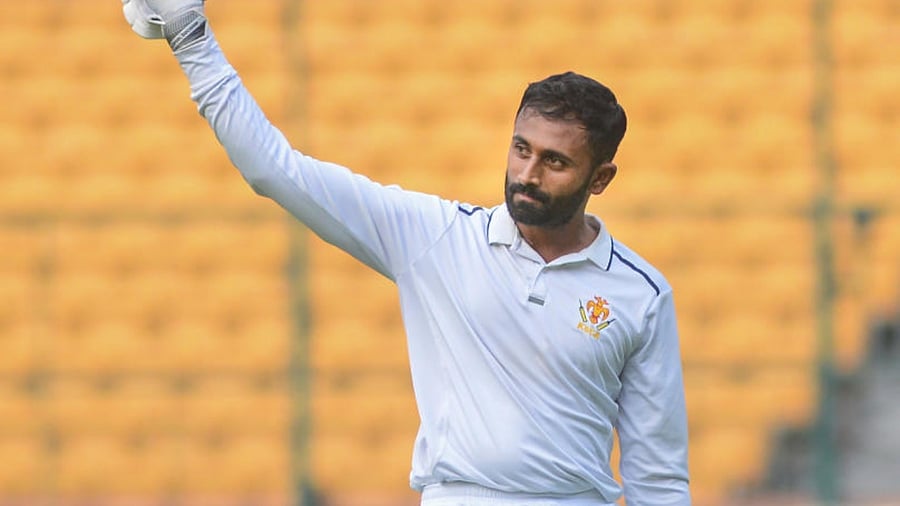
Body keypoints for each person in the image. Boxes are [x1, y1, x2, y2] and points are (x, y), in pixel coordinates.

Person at [122, 1, 691, 504]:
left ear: (601, 178)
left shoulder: (639, 294)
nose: (527, 174)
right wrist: (191, 37)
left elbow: (659, 479)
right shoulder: (439, 237)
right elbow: (275, 169)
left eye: (555, 162)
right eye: (521, 150)